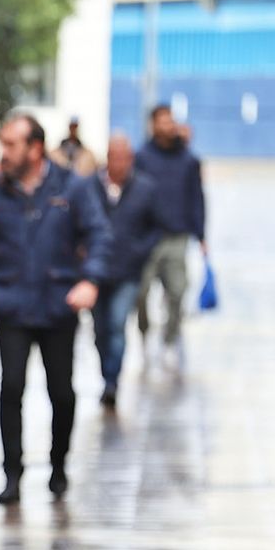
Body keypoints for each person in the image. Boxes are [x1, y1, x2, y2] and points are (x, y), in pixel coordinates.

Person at [0, 113, 112, 504]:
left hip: (58, 304)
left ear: (35, 148)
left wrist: (89, 280)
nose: (4, 152)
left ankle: (58, 466)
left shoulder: (72, 188)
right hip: (11, 305)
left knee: (61, 393)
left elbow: (99, 235)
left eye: (11, 144)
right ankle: (12, 475)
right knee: (11, 389)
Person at [89, 133, 163, 410]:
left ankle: (112, 380)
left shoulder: (145, 188)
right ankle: (105, 372)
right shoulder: (90, 187)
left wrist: (138, 251)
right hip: (96, 272)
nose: (117, 163)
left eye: (122, 158)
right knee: (99, 330)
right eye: (112, 157)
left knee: (117, 324)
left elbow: (156, 228)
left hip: (127, 272)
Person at [134, 103, 206, 368]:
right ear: (153, 125)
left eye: (170, 120)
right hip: (147, 237)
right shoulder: (141, 158)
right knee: (140, 293)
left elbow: (197, 198)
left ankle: (169, 340)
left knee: (178, 292)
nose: (168, 125)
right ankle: (144, 334)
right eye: (162, 121)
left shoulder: (188, 160)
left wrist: (201, 234)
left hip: (177, 236)